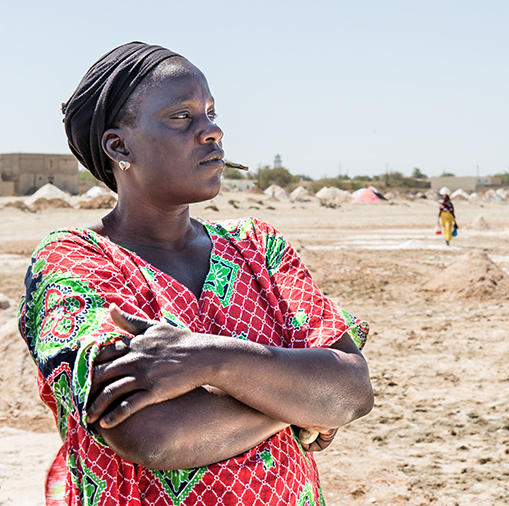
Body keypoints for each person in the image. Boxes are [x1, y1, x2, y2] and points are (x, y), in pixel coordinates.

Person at [18, 42, 373, 506]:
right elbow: (151, 434)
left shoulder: (258, 247)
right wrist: (296, 399)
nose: (213, 131)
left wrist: (208, 360)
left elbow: (352, 389)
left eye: (210, 112)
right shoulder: (76, 262)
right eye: (182, 117)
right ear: (119, 145)